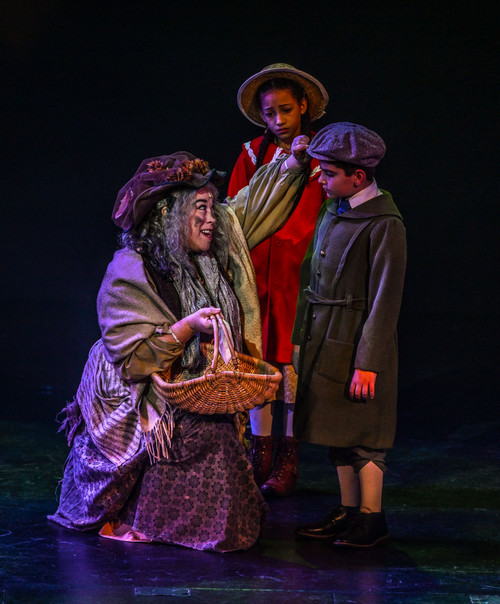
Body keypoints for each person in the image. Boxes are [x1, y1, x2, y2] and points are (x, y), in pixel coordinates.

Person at [48, 146, 309, 552]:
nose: (211, 219)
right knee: (200, 436)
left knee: (216, 432)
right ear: (168, 216)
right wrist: (186, 329)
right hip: (134, 393)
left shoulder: (212, 253)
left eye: (213, 208)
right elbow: (132, 362)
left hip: (189, 384)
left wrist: (291, 164)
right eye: (200, 209)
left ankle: (210, 526)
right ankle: (140, 517)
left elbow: (254, 207)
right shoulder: (130, 270)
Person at [292, 122, 407, 548]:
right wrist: (300, 337)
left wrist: (368, 364)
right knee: (335, 433)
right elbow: (313, 273)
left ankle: (372, 518)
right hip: (326, 336)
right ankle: (349, 510)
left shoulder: (385, 224)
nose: (320, 179)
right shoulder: (334, 208)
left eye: (328, 173)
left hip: (358, 341)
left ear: (357, 176)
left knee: (364, 437)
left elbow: (385, 299)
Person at [227, 63, 329, 496]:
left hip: (298, 274)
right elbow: (235, 213)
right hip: (255, 274)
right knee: (257, 357)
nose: (279, 120)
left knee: (291, 361)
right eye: (270, 113)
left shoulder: (324, 156)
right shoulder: (252, 153)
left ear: (303, 106)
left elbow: (326, 213)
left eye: (286, 110)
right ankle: (260, 452)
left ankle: (288, 455)